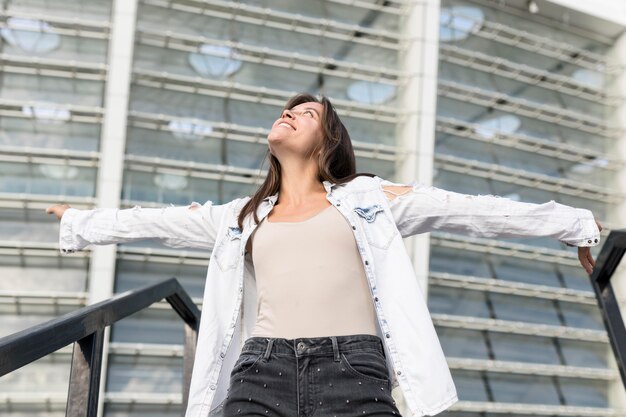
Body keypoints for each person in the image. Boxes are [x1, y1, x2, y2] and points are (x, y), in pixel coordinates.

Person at [46, 92, 603, 417]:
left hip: (353, 372)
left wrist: (577, 225)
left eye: (306, 113)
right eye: (288, 110)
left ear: (328, 140)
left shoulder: (370, 200)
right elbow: (158, 222)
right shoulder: (242, 217)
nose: (288, 114)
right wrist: (79, 222)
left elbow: (475, 210)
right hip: (260, 372)